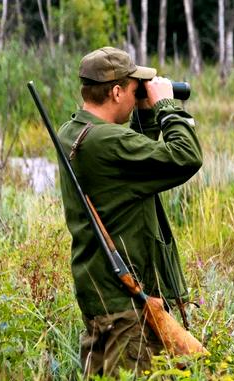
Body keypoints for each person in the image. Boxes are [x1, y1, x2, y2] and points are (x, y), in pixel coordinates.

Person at [56, 46, 203, 377]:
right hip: (127, 307)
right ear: (117, 90)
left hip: (98, 295)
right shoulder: (107, 142)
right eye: (134, 85)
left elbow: (134, 161)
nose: (140, 90)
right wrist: (165, 106)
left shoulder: (73, 133)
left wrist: (144, 113)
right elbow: (186, 156)